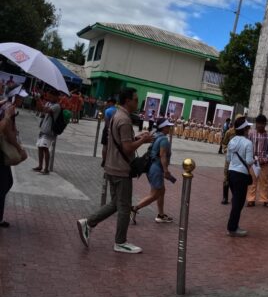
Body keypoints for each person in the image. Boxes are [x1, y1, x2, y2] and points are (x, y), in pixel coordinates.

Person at [76, 87, 156, 254]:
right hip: (121, 169)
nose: (137, 102)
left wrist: (138, 137)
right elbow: (127, 148)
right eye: (135, 99)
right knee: (124, 207)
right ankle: (120, 241)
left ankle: (88, 223)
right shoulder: (125, 120)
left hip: (112, 166)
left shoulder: (115, 116)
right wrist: (144, 140)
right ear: (127, 100)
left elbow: (121, 141)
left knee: (115, 203)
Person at [131, 118, 176, 224]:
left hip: (150, 166)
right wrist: (166, 170)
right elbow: (163, 155)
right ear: (163, 127)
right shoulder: (164, 139)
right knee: (156, 193)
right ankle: (135, 208)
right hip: (156, 168)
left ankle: (161, 214)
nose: (169, 128)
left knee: (161, 190)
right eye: (167, 126)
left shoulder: (155, 136)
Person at [0, 89, 31, 227]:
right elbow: (6, 131)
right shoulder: (9, 109)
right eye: (20, 97)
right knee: (5, 183)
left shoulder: (5, 105)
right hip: (1, 149)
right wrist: (18, 148)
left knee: (5, 182)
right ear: (14, 97)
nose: (22, 100)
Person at [225, 117, 257, 237]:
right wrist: (255, 160)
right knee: (238, 203)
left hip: (231, 172)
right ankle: (232, 228)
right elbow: (249, 161)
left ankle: (233, 226)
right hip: (241, 175)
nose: (248, 130)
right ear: (244, 129)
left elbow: (228, 158)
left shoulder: (232, 141)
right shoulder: (248, 143)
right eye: (247, 128)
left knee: (236, 201)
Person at [246, 114, 268, 207]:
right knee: (252, 181)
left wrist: (265, 159)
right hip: (253, 162)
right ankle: (251, 199)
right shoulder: (250, 134)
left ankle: (265, 199)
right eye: (259, 123)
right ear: (256, 124)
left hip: (264, 163)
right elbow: (248, 147)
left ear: (265, 124)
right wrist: (251, 158)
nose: (260, 125)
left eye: (262, 124)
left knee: (264, 182)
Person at [34, 92, 62, 174]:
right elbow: (40, 110)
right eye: (49, 96)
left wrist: (39, 100)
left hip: (49, 130)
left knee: (45, 148)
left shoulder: (57, 106)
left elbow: (46, 110)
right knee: (40, 147)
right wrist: (37, 101)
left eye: (51, 96)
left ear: (56, 97)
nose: (50, 97)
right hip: (43, 128)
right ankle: (40, 166)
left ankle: (46, 169)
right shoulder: (49, 103)